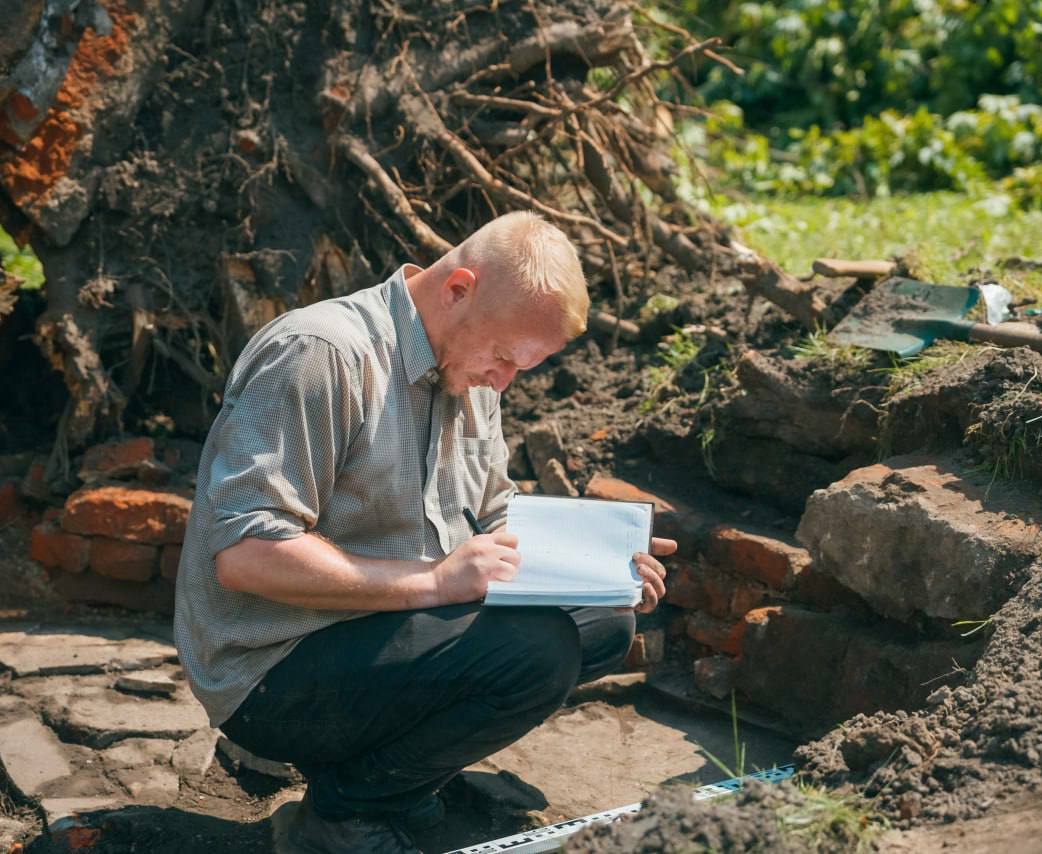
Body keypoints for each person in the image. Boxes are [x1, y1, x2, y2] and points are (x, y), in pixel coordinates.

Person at [173, 211, 676, 853]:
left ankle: (396, 780)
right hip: (270, 668)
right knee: (536, 650)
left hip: (376, 634)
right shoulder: (322, 355)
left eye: (522, 366)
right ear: (458, 288)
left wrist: (603, 564)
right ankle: (344, 815)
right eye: (501, 357)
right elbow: (247, 558)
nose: (504, 381)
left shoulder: (469, 366)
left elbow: (495, 515)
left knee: (602, 623)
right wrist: (437, 581)